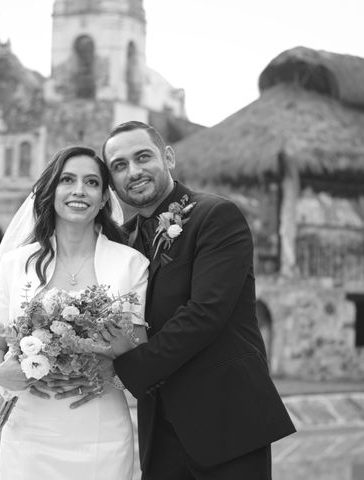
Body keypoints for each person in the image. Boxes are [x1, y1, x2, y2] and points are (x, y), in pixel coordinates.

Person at [100, 121, 296, 479]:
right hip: (159, 429)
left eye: (143, 157)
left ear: (168, 157)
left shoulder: (216, 216)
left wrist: (127, 369)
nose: (134, 171)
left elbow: (206, 313)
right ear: (112, 180)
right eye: (120, 165)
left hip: (228, 421)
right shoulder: (120, 245)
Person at [0, 145, 150, 480]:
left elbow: (140, 346)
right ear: (51, 190)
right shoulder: (15, 264)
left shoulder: (130, 263)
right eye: (68, 180)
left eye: (92, 182)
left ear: (105, 198)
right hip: (30, 430)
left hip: (99, 427)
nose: (80, 190)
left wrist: (106, 362)